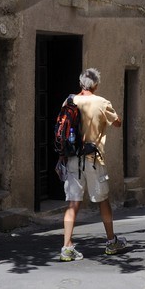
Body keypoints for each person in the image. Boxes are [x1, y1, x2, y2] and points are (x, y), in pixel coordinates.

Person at [57, 67, 125, 261]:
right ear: (96, 84)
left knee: (73, 204)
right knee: (103, 201)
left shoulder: (69, 101)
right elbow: (117, 122)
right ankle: (111, 242)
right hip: (94, 159)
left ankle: (67, 246)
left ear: (80, 83)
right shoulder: (101, 103)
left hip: (72, 159)